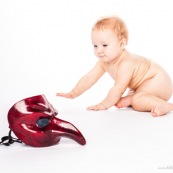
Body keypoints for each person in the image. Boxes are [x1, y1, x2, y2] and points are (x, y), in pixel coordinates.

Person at [57, 16, 173, 117]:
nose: (99, 50)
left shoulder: (125, 63)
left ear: (121, 44)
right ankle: (132, 98)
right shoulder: (103, 62)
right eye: (95, 45)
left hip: (158, 81)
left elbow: (118, 89)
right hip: (144, 84)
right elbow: (89, 77)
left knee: (137, 100)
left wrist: (104, 104)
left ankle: (165, 105)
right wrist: (74, 92)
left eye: (105, 45)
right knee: (132, 96)